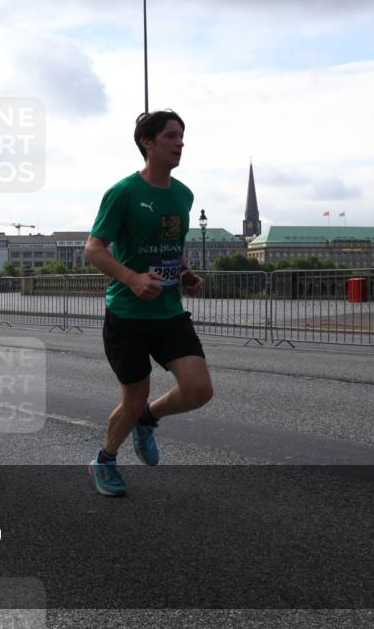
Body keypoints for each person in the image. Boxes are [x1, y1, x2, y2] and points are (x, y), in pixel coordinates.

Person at [85, 110, 212, 497]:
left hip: (169, 312)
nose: (180, 143)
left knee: (199, 389)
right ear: (148, 143)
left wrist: (185, 272)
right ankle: (104, 459)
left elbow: (171, 246)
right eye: (171, 136)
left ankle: (148, 419)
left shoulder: (183, 194)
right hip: (128, 315)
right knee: (133, 397)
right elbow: (94, 249)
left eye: (182, 136)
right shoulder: (123, 192)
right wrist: (133, 278)